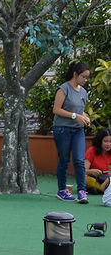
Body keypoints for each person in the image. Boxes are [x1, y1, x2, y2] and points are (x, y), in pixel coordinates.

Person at [51, 61, 91, 203]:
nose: (85, 80)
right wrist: (75, 116)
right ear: (75, 74)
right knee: (64, 160)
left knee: (79, 160)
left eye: (87, 77)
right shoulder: (64, 89)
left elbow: (80, 109)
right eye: (83, 77)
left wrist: (85, 117)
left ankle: (82, 191)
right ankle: (62, 190)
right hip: (62, 129)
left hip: (78, 130)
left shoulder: (83, 92)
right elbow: (56, 110)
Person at [85, 127, 111, 194]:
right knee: (85, 179)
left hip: (107, 179)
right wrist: (91, 171)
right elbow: (82, 171)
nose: (108, 144)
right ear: (100, 141)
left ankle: (100, 188)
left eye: (110, 142)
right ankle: (102, 188)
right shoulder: (91, 150)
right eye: (105, 141)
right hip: (93, 178)